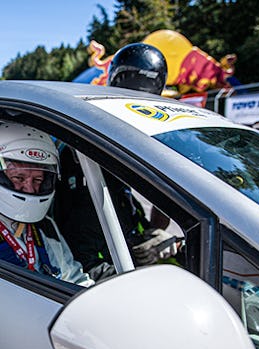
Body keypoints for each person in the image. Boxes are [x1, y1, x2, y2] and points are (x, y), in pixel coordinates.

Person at [57, 43, 180, 281]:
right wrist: (142, 274)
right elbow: (82, 264)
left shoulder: (131, 148)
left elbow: (157, 199)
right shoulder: (84, 149)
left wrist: (156, 237)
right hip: (98, 276)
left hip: (120, 260)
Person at [0, 123, 94, 287]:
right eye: (19, 178)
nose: (29, 188)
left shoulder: (46, 226)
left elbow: (75, 280)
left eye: (38, 180)